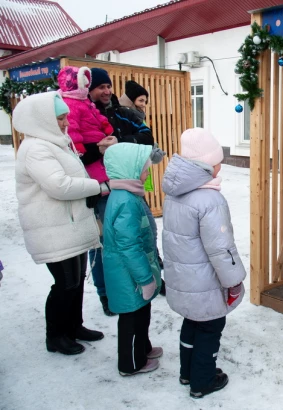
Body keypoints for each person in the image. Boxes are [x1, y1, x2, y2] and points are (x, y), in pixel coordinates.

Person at [13, 91, 104, 355]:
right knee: (64, 284)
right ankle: (55, 336)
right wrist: (97, 186)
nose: (66, 122)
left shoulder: (57, 143)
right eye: (60, 118)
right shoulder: (35, 149)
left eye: (65, 117)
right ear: (42, 120)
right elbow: (58, 185)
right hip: (52, 228)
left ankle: (74, 326)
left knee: (75, 281)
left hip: (70, 224)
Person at [162, 128, 246, 398]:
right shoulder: (209, 200)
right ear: (209, 163)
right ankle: (203, 381)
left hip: (184, 279)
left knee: (192, 322)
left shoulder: (176, 194)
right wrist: (233, 282)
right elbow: (221, 249)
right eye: (218, 159)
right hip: (206, 282)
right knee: (210, 327)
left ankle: (187, 373)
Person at [85, 69, 159, 315]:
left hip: (133, 184)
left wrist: (119, 140)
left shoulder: (123, 114)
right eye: (100, 87)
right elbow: (82, 154)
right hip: (102, 192)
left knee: (147, 229)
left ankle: (150, 276)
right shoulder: (82, 117)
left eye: (108, 86)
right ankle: (107, 292)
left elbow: (149, 142)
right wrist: (101, 149)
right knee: (107, 243)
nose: (106, 91)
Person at [101, 142, 162, 376]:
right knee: (131, 319)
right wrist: (145, 278)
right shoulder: (126, 201)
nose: (147, 172)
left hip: (131, 273)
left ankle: (143, 349)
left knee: (141, 312)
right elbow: (129, 246)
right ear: (130, 169)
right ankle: (131, 363)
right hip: (130, 275)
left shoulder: (128, 195)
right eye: (144, 168)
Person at [118, 80, 167, 292]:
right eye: (140, 100)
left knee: (147, 228)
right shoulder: (121, 118)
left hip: (139, 180)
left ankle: (153, 264)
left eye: (145, 101)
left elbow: (147, 147)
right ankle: (147, 275)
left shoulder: (138, 119)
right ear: (130, 100)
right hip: (125, 182)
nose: (143, 105)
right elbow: (128, 150)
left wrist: (152, 154)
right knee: (144, 230)